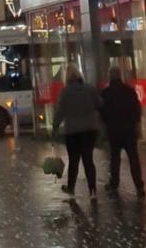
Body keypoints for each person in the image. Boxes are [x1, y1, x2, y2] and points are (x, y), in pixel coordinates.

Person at [53, 64, 102, 201]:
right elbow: (99, 104)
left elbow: (60, 112)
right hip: (90, 129)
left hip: (73, 131)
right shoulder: (90, 89)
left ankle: (71, 188)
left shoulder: (65, 92)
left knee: (74, 161)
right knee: (88, 160)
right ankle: (92, 190)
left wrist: (55, 126)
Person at [100, 67, 145, 196]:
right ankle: (139, 185)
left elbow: (102, 112)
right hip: (129, 130)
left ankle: (114, 183)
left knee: (115, 158)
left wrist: (106, 124)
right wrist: (135, 123)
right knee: (133, 158)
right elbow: (137, 110)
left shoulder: (106, 93)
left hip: (114, 131)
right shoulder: (129, 91)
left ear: (110, 77)